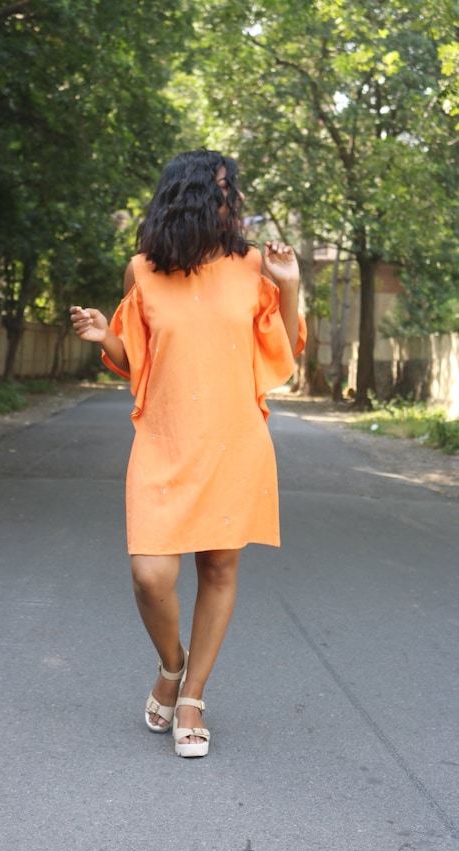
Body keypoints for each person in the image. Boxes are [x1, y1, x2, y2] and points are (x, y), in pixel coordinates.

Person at [70, 148, 306, 758]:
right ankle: (172, 667)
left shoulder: (252, 264)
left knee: (219, 568)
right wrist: (106, 337)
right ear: (189, 196)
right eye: (223, 190)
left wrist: (290, 285)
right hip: (164, 439)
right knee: (151, 576)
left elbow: (282, 352)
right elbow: (136, 360)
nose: (233, 202)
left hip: (233, 439)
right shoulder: (142, 271)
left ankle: (193, 697)